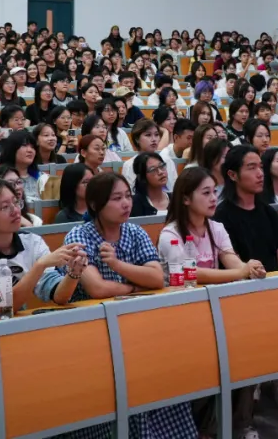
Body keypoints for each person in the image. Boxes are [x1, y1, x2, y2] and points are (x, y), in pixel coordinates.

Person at [54, 173, 198, 438]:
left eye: (128, 196)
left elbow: (156, 278)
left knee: (168, 368)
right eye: (116, 198)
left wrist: (117, 265)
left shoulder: (135, 232)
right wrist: (134, 287)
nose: (126, 204)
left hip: (138, 327)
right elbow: (97, 289)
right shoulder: (79, 236)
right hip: (94, 332)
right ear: (95, 205)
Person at [0, 179, 86, 439]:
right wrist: (39, 266)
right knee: (11, 417)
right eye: (4, 207)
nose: (15, 211)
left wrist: (73, 274)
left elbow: (58, 296)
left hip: (20, 345)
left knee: (64, 395)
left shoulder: (31, 242)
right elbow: (4, 306)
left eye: (16, 202)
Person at [157, 167, 267, 439]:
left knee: (246, 356)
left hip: (216, 313)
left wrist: (249, 268)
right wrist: (240, 272)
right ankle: (205, 429)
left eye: (214, 192)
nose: (213, 198)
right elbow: (189, 274)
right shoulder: (170, 234)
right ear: (185, 199)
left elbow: (230, 259)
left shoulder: (215, 228)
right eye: (205, 193)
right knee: (207, 368)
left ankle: (242, 425)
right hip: (181, 319)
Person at [213, 146, 278, 413]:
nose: (260, 173)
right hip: (240, 292)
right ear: (232, 175)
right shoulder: (222, 216)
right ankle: (254, 378)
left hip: (273, 287)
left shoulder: (267, 212)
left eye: (260, 167)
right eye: (251, 168)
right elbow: (230, 263)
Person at [129, 152, 170, 217]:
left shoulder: (176, 199)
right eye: (153, 170)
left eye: (162, 166)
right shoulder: (134, 204)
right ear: (143, 177)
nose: (160, 172)